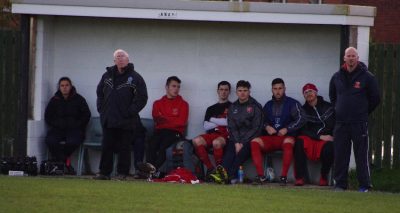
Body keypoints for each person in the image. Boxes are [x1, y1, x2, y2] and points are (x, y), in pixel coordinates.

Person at [329, 47, 380, 192]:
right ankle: (340, 185)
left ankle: (364, 185)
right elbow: (333, 97)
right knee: (340, 155)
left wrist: (362, 112)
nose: (351, 58)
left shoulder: (367, 77)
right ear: (344, 58)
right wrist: (339, 110)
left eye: (353, 56)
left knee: (361, 155)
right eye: (348, 56)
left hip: (359, 123)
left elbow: (375, 98)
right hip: (341, 123)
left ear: (357, 58)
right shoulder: (336, 77)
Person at [94, 49, 148, 180]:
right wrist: (102, 110)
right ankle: (104, 173)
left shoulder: (135, 77)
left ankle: (122, 173)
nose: (120, 59)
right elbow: (99, 93)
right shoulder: (106, 76)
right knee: (107, 146)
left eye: (123, 56)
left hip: (127, 120)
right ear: (114, 61)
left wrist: (130, 112)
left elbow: (142, 98)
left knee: (124, 147)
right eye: (118, 57)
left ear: (128, 60)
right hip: (108, 118)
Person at [250, 78, 306, 185]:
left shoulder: (292, 103)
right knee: (254, 142)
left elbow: (301, 118)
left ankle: (283, 177)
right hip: (271, 138)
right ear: (272, 90)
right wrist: (266, 127)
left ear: (285, 89)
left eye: (280, 88)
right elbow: (260, 120)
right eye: (275, 89)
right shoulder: (268, 105)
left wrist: (287, 129)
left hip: (286, 138)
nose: (278, 91)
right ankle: (261, 176)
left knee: (288, 143)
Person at [211, 80, 263, 184]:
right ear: (236, 92)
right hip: (235, 139)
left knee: (240, 154)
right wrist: (236, 142)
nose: (242, 93)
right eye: (240, 90)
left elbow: (257, 128)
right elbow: (231, 127)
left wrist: (242, 142)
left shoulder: (256, 106)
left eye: (245, 90)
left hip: (250, 139)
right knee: (229, 153)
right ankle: (221, 175)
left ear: (249, 92)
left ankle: (229, 177)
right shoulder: (233, 107)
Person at [139, 76, 189, 178]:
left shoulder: (184, 104)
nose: (176, 89)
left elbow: (181, 123)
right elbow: (157, 119)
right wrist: (171, 119)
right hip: (160, 131)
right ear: (167, 87)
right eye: (173, 86)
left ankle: (152, 170)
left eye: (178, 87)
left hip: (175, 133)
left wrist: (165, 118)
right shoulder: (157, 103)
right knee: (151, 143)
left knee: (164, 146)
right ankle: (151, 171)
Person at [45, 77, 91, 174]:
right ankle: (66, 163)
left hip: (74, 129)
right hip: (58, 129)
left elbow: (86, 115)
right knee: (50, 141)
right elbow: (48, 116)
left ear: (71, 86)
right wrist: (56, 124)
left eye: (67, 85)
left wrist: (78, 125)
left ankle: (60, 162)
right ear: (59, 87)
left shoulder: (79, 99)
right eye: (62, 85)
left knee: (73, 142)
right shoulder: (54, 100)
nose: (64, 88)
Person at [294, 83, 334, 186]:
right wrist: (319, 136)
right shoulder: (303, 110)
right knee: (299, 142)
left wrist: (330, 136)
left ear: (316, 92)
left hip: (326, 139)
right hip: (312, 139)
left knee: (330, 147)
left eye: (310, 91)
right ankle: (299, 177)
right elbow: (302, 130)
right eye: (306, 92)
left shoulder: (328, 107)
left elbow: (334, 125)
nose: (308, 94)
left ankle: (323, 176)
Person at [192, 81, 231, 179]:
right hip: (212, 134)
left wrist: (212, 120)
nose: (223, 92)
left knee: (216, 142)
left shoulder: (233, 106)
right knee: (196, 141)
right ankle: (210, 169)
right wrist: (221, 121)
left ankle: (219, 170)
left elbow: (229, 123)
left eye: (226, 90)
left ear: (229, 92)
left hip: (225, 135)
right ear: (217, 91)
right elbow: (206, 126)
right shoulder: (211, 108)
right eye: (221, 90)